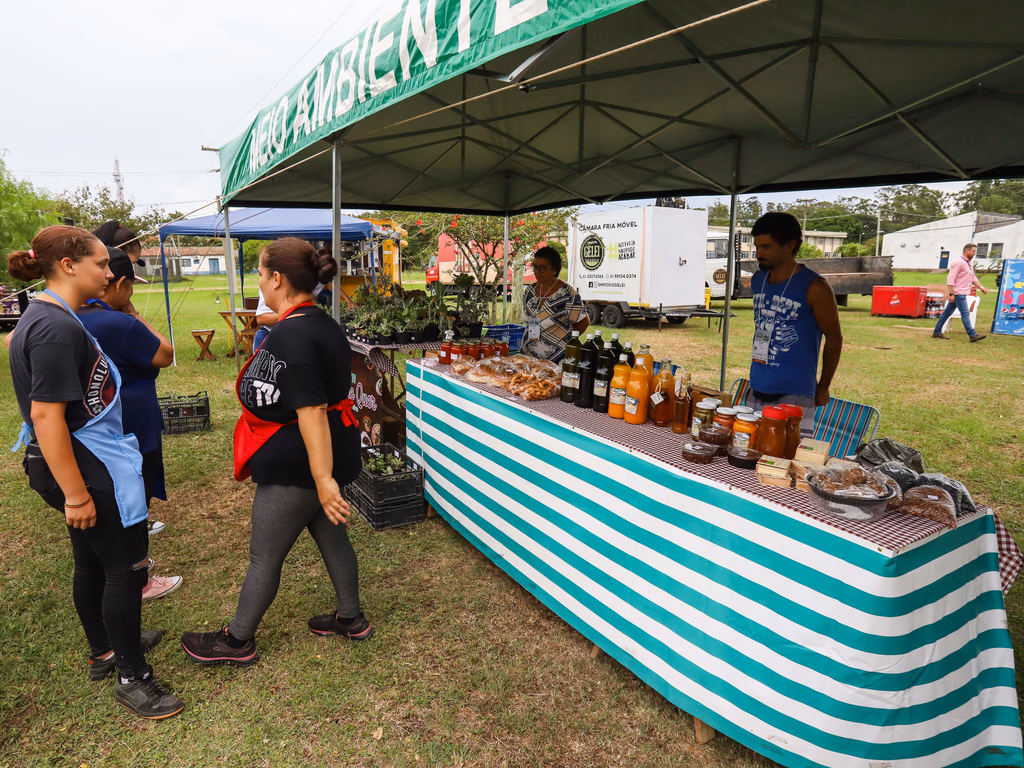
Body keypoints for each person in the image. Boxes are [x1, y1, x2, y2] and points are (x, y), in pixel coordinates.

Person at [6, 226, 183, 719]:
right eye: (102, 264)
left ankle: (105, 648)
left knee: (92, 562)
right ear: (68, 265)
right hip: (85, 465)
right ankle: (133, 677)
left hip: (79, 460)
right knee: (126, 570)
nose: (110, 273)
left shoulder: (49, 317)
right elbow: (46, 416)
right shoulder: (55, 327)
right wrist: (78, 494)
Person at [181, 237, 369, 667]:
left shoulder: (293, 335)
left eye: (261, 273)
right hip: (329, 451)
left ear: (277, 278)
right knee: (331, 534)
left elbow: (312, 412)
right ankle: (350, 617)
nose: (260, 281)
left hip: (301, 461)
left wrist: (322, 480)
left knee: (264, 554)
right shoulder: (320, 322)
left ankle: (236, 641)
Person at [77, 247, 182, 601]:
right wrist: (132, 313)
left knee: (109, 497)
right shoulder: (117, 322)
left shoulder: (67, 317)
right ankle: (139, 577)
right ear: (118, 283)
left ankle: (119, 570)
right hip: (133, 420)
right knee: (134, 499)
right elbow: (165, 353)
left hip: (89, 426)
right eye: (130, 286)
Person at [747, 213, 843, 436]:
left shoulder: (815, 287)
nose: (758, 254)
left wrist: (824, 386)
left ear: (789, 245)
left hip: (795, 391)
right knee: (750, 450)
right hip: (758, 385)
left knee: (786, 459)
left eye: (766, 247)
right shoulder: (758, 280)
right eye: (756, 246)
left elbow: (835, 338)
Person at [521, 246, 589, 363]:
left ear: (555, 269)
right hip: (528, 357)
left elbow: (584, 322)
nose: (537, 271)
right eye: (535, 267)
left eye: (542, 268)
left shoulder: (568, 295)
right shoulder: (530, 291)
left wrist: (561, 338)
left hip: (556, 359)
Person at [933, 243, 990, 342]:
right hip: (958, 292)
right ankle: (972, 334)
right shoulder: (958, 262)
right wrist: (951, 294)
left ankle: (937, 332)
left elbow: (973, 277)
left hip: (962, 292)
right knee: (965, 312)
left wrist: (981, 287)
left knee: (947, 313)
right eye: (973, 251)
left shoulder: (968, 263)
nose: (974, 254)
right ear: (967, 251)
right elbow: (950, 279)